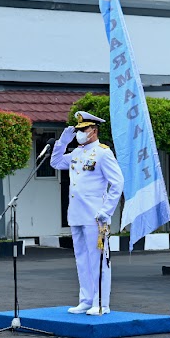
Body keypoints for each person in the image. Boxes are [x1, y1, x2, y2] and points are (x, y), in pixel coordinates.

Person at [50, 111, 124, 315]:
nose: (79, 133)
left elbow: (117, 183)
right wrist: (62, 143)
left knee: (98, 260)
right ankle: (86, 299)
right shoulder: (76, 153)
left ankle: (101, 303)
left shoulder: (102, 153)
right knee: (81, 258)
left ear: (93, 131)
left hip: (95, 216)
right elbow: (55, 163)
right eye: (78, 130)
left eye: (83, 130)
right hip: (76, 214)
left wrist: (106, 210)